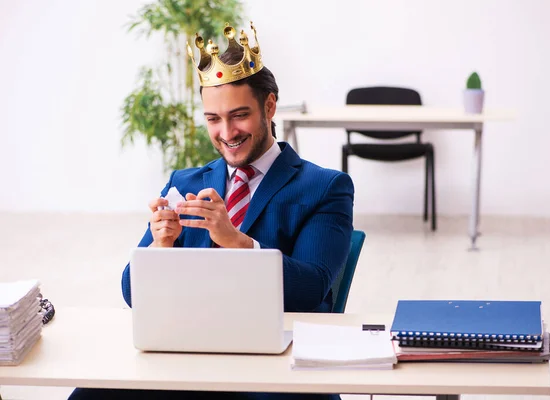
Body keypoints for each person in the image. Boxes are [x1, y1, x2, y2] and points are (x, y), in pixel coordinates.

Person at [69, 22, 353, 400]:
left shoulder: (325, 187)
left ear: (269, 106)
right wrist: (161, 247)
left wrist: (235, 241)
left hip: (275, 366)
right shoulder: (184, 183)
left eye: (239, 115)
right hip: (191, 354)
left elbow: (313, 289)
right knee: (91, 394)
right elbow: (131, 293)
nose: (227, 132)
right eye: (213, 119)